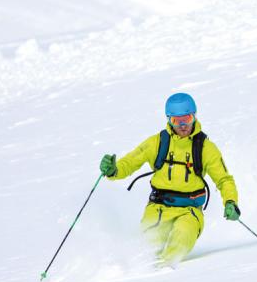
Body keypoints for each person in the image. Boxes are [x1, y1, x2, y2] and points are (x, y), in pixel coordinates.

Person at [99, 92, 240, 266]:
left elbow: (224, 179)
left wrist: (230, 201)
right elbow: (130, 162)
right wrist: (114, 170)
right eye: (176, 120)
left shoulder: (205, 148)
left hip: (190, 212)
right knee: (146, 250)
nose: (182, 125)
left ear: (194, 116)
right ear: (168, 120)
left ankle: (164, 279)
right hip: (158, 209)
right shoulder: (158, 143)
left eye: (186, 118)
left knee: (181, 239)